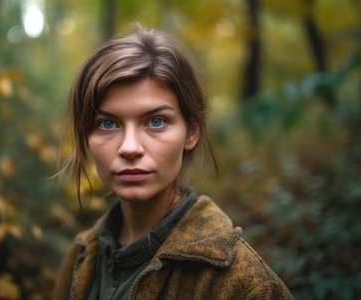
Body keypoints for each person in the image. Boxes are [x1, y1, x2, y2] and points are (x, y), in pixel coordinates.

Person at [53, 25, 293, 300]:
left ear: (191, 132)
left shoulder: (244, 284)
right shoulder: (79, 258)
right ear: (86, 135)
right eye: (107, 124)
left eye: (156, 121)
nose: (130, 148)